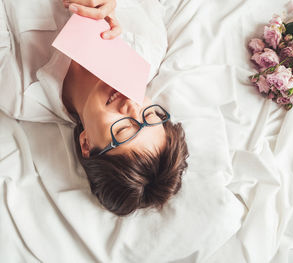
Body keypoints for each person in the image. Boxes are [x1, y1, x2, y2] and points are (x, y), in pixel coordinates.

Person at [0, 0, 189, 216]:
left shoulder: (16, 89)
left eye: (124, 129)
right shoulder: (149, 45)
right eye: (149, 114)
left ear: (87, 144)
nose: (131, 104)